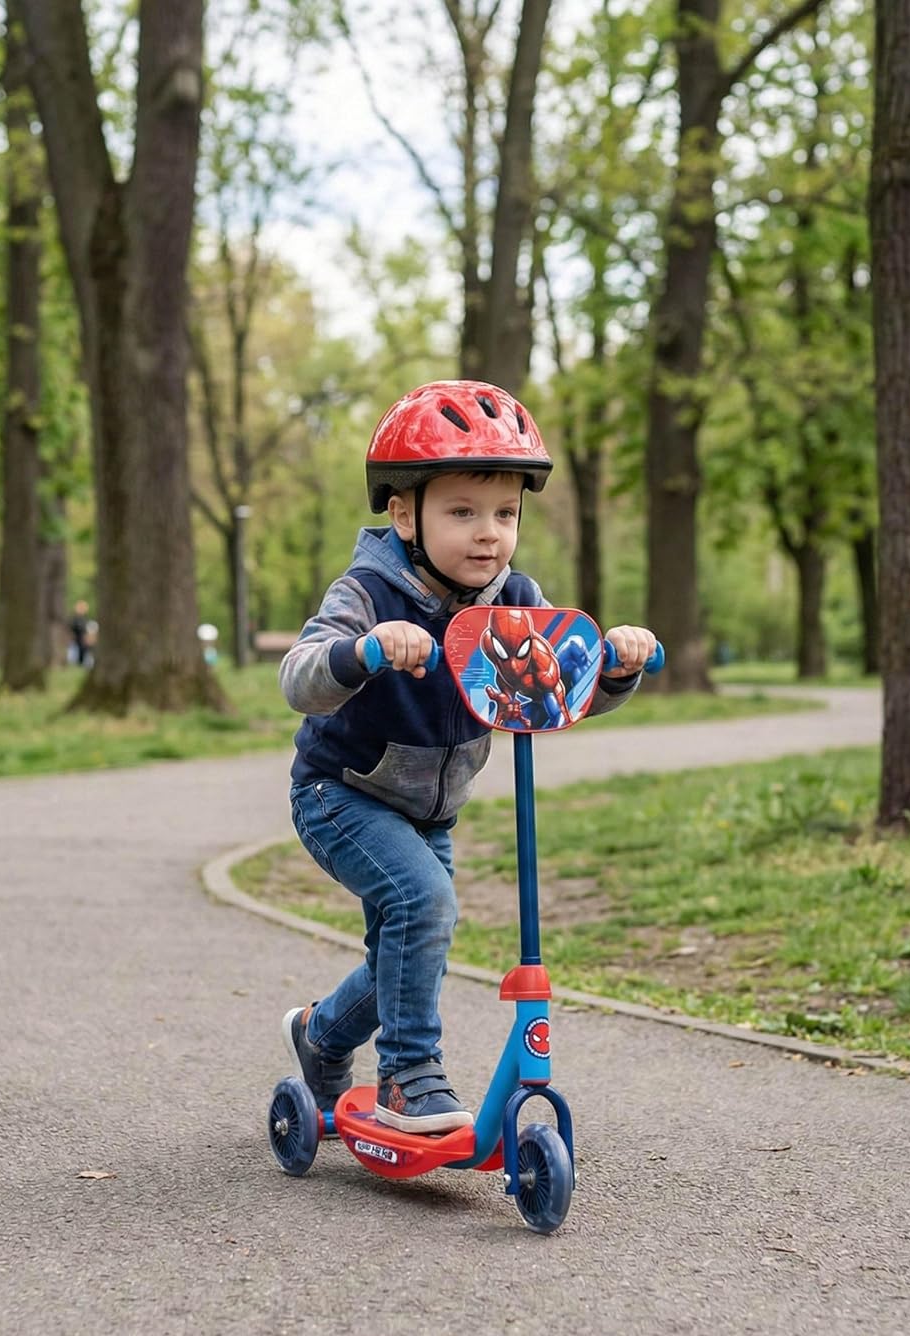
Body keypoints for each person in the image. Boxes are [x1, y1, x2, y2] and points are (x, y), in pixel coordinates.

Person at [278, 379, 657, 1133]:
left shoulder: (514, 598)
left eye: (505, 513)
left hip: (430, 812)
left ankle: (322, 1035)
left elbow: (559, 694)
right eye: (462, 512)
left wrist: (615, 666)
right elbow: (300, 676)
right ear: (402, 512)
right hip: (341, 792)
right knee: (425, 906)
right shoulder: (369, 591)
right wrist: (365, 651)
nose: (489, 533)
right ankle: (408, 1075)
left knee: (410, 945)